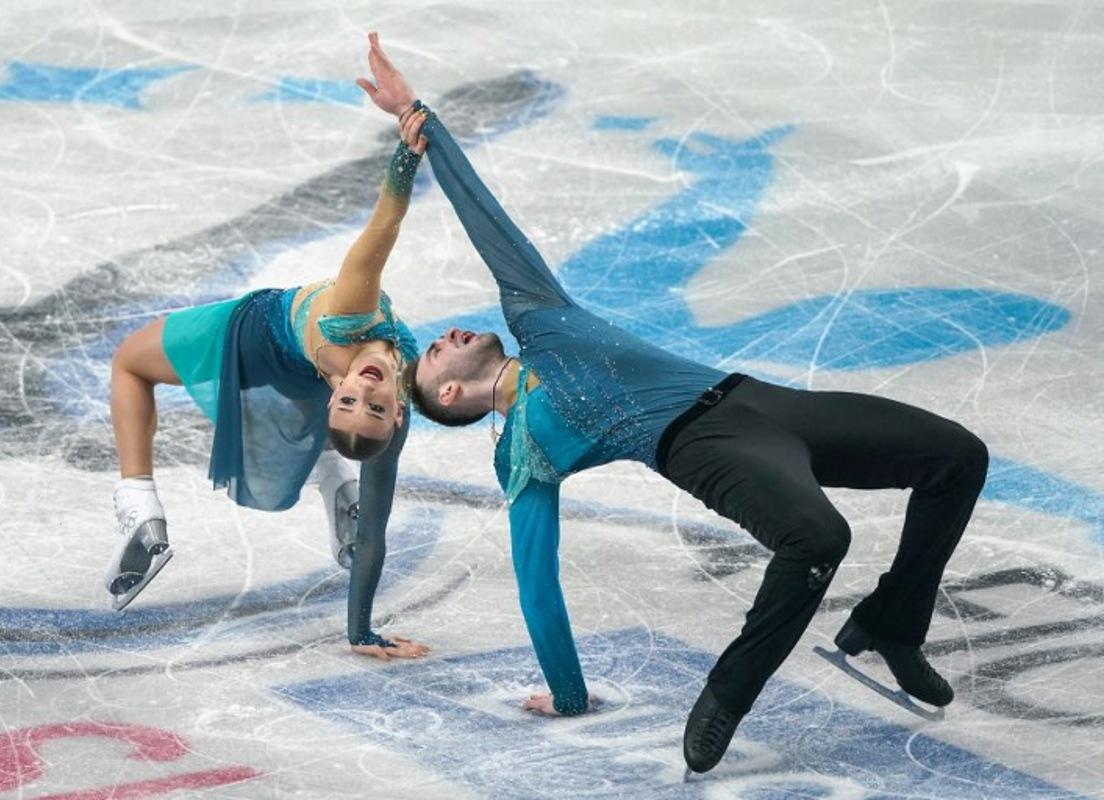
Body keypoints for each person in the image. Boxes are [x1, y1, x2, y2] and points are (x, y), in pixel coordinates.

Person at [358, 34, 989, 770]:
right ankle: (728, 690)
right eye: (437, 355)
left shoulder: (537, 314)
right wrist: (567, 693)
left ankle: (893, 623)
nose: (449, 335)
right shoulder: (524, 448)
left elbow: (486, 220)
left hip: (766, 403)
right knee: (818, 539)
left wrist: (418, 115)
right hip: (704, 445)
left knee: (956, 458)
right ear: (454, 396)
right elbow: (538, 581)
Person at [103, 82, 432, 661]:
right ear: (398, 409)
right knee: (136, 364)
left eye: (357, 404)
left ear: (335, 395)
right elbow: (383, 226)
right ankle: (339, 488)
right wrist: (408, 131)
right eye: (371, 403)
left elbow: (384, 225)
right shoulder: (391, 377)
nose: (367, 392)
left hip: (249, 334)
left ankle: (140, 509)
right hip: (289, 365)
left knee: (130, 361)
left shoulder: (351, 314)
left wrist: (360, 633)